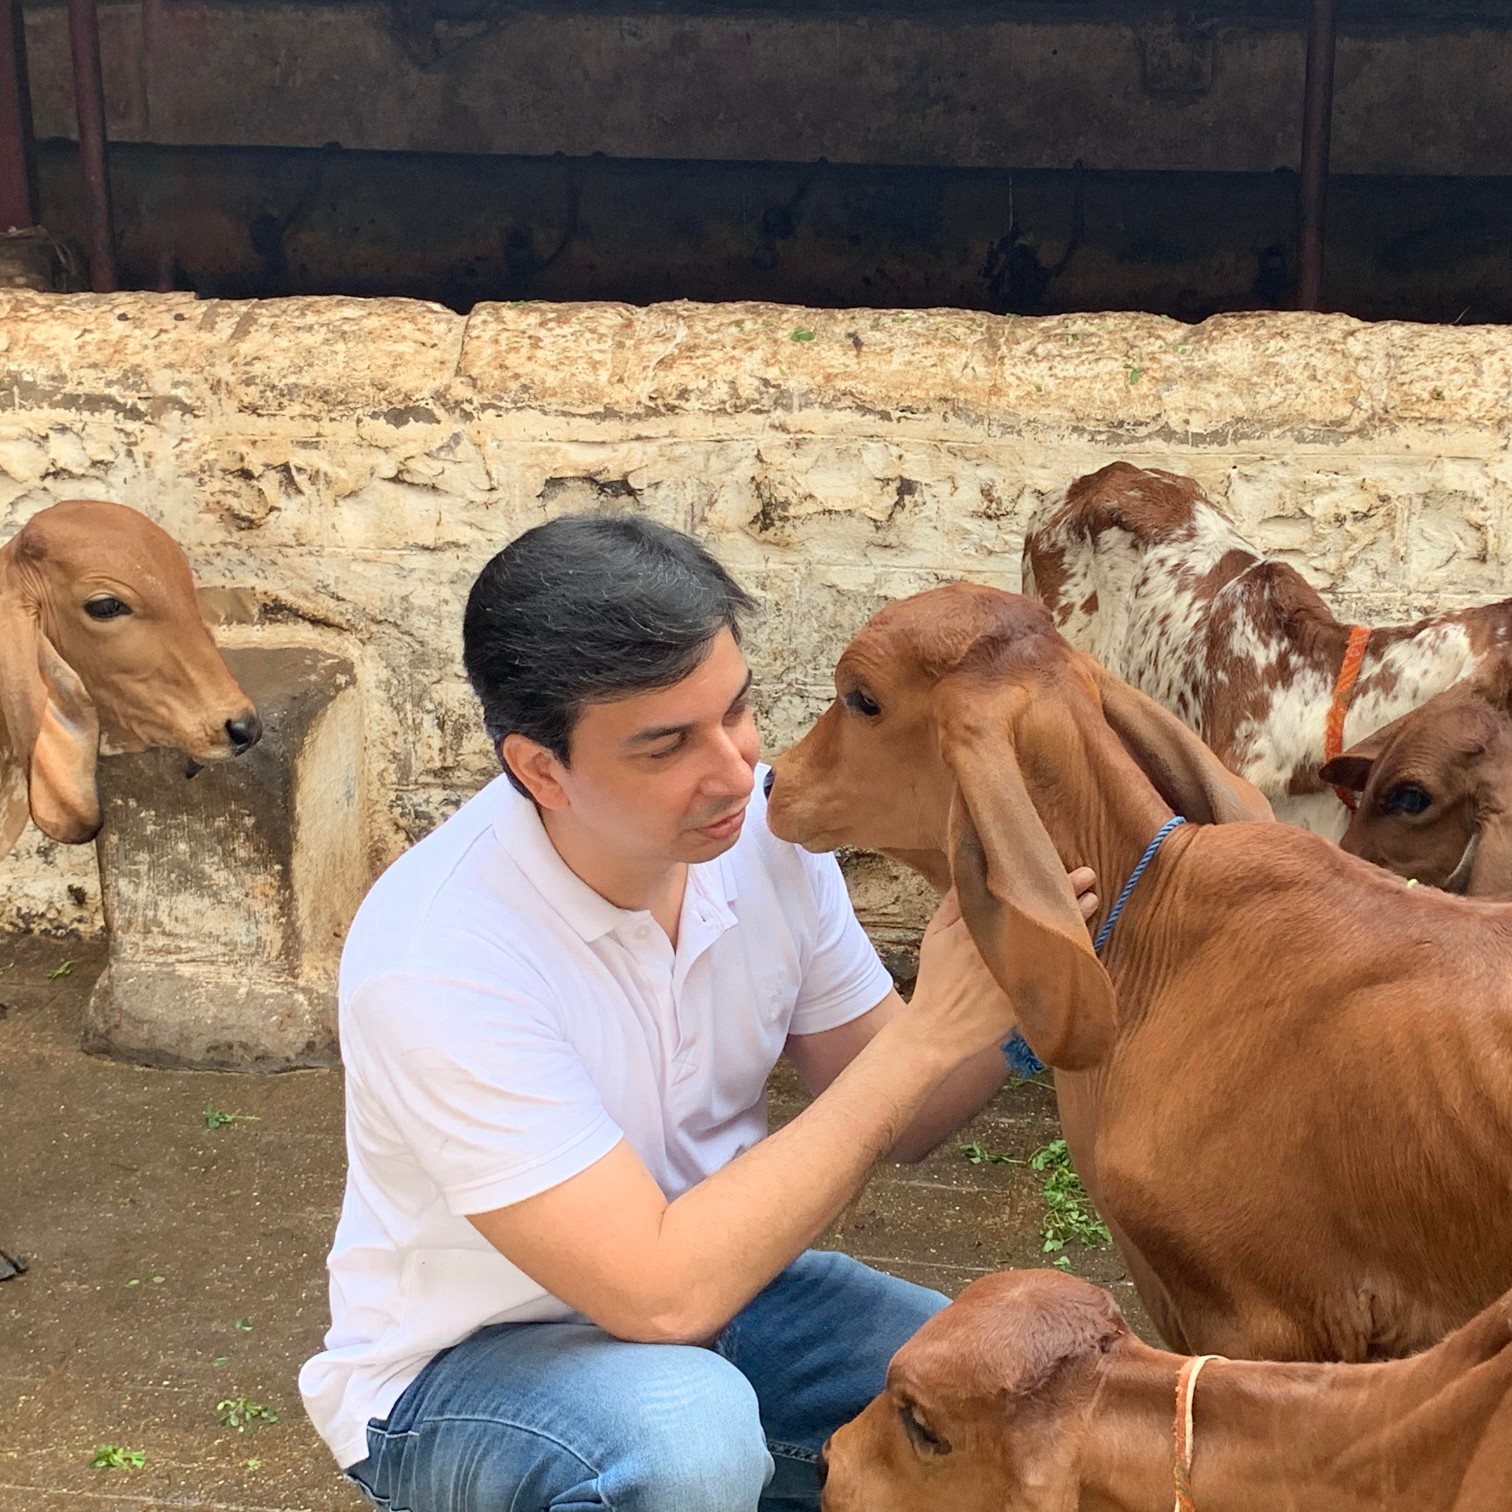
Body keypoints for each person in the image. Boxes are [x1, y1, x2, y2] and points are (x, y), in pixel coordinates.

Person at [300, 514, 1096, 1511]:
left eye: (737, 711)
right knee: (687, 1444)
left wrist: (1025, 992)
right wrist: (933, 1028)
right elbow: (657, 1292)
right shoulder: (441, 957)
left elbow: (904, 1111)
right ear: (540, 769)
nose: (733, 771)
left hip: (731, 1292)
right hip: (469, 1367)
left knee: (990, 1385)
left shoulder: (762, 840)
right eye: (667, 745)